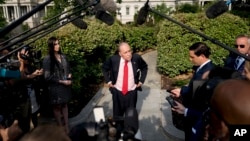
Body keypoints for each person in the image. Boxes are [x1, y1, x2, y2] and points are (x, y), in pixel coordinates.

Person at [170, 42, 214, 141]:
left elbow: (197, 96)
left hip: (195, 117)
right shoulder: (201, 68)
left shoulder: (207, 72)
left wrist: (181, 92)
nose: (190, 59)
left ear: (202, 56)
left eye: (192, 57)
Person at [102, 42, 148, 119]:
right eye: (125, 52)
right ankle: (119, 130)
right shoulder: (113, 60)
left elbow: (144, 67)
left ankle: (129, 129)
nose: (129, 54)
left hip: (131, 93)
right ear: (120, 54)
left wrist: (141, 81)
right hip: (117, 93)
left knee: (130, 117)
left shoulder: (136, 58)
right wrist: (109, 82)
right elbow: (104, 68)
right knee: (117, 117)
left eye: (129, 51)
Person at [43, 37, 72, 134]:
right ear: (51, 46)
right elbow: (47, 76)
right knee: (57, 107)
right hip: (55, 87)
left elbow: (68, 69)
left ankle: (67, 126)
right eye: (55, 44)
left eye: (58, 43)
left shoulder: (63, 57)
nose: (58, 45)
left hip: (65, 85)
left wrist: (69, 77)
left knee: (64, 105)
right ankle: (60, 128)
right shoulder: (47, 59)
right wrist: (61, 81)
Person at [17, 47, 43, 128]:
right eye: (25, 54)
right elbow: (20, 77)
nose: (27, 56)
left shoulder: (31, 66)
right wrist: (33, 75)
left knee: (34, 116)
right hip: (24, 98)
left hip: (33, 96)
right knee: (25, 120)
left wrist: (39, 73)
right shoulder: (16, 66)